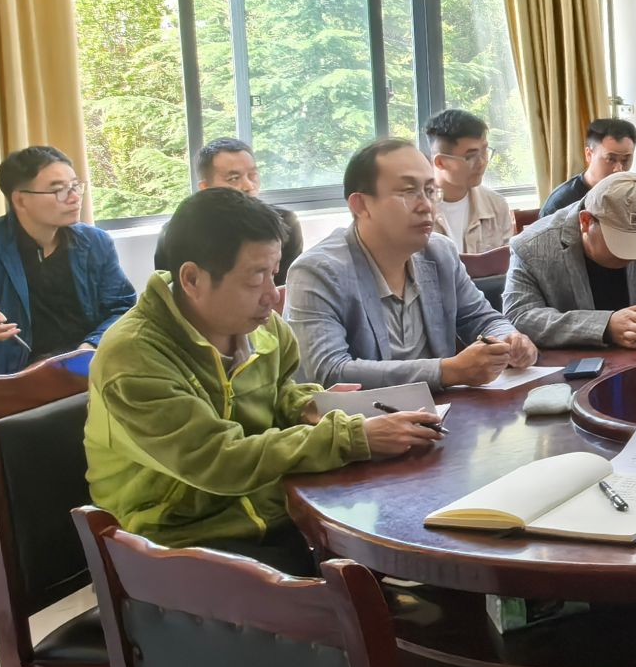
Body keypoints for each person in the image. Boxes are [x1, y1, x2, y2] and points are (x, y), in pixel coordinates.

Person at [85, 187, 441, 568]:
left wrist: (308, 405)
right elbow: (218, 459)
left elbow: (280, 388)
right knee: (354, 589)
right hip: (175, 543)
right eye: (256, 278)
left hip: (267, 513)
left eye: (274, 274)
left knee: (400, 540)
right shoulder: (134, 355)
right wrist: (352, 437)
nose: (273, 296)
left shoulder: (262, 327)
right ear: (192, 279)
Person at [286, 139, 537, 388]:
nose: (426, 206)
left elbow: (482, 318)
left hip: (445, 410)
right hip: (362, 414)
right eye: (408, 192)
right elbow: (330, 372)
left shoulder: (439, 252)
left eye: (430, 191)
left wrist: (510, 339)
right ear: (361, 205)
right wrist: (448, 371)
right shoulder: (317, 272)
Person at [0, 145, 134, 375]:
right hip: (13, 378)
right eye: (59, 190)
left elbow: (123, 307)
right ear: (20, 200)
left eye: (75, 186)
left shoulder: (95, 243)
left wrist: (91, 345)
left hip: (85, 368)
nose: (74, 198)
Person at [506, 172, 636, 348]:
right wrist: (604, 327)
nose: (634, 254)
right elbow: (519, 316)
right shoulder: (532, 247)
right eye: (624, 242)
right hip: (571, 367)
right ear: (586, 221)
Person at [196, 138, 304, 279]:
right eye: (234, 178)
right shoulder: (185, 233)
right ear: (205, 188)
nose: (248, 186)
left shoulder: (286, 222)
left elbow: (287, 287)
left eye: (252, 175)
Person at [424, 108, 512, 254]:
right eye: (470, 156)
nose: (482, 162)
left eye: (484, 151)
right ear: (440, 162)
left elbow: (507, 262)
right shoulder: (417, 210)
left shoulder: (496, 206)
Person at [540, 118, 636, 216]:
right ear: (589, 154)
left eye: (625, 160)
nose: (619, 169)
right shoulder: (560, 204)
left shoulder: (635, 195)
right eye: (611, 159)